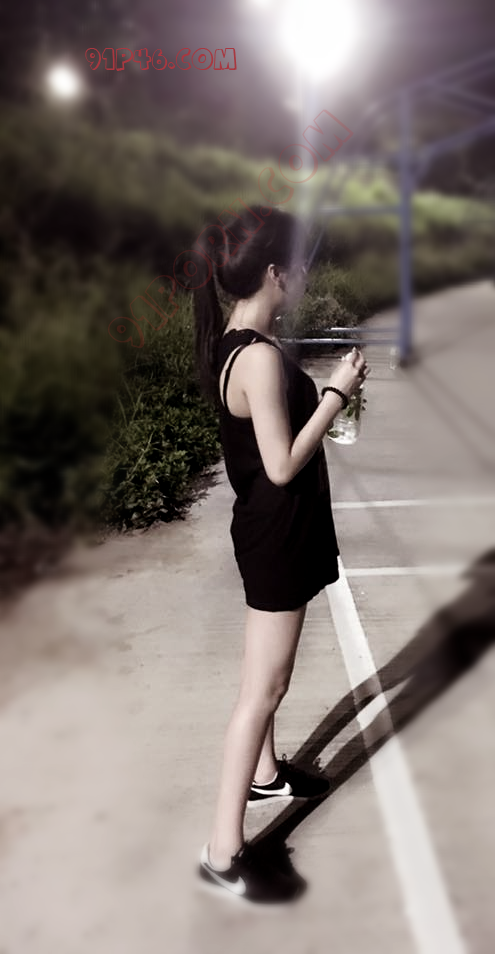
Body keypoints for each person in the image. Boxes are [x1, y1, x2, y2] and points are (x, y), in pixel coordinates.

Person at [192, 204, 369, 907]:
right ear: (274, 271)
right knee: (262, 690)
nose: (305, 276)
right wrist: (335, 395)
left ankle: (265, 777)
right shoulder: (259, 357)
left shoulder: (237, 340)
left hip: (267, 530)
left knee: (263, 676)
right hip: (277, 534)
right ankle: (222, 852)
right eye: (299, 266)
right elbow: (282, 462)